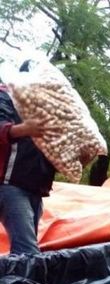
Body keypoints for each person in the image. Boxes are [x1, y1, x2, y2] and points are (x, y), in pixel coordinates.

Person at [0, 66, 56, 255]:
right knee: (28, 252)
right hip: (10, 185)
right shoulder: (5, 96)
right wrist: (25, 129)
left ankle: (13, 283)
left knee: (25, 249)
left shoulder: (45, 107)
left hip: (35, 187)